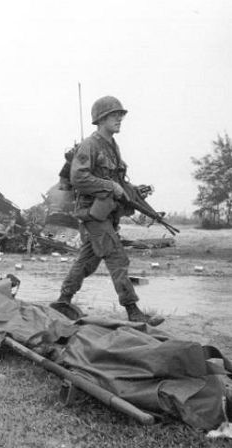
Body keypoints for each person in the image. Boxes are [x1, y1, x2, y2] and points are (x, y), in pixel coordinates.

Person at [52, 95, 164, 326]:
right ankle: (133, 310)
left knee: (88, 261)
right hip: (92, 213)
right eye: (115, 116)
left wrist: (131, 192)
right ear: (101, 119)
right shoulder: (90, 145)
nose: (120, 120)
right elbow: (78, 177)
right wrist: (110, 186)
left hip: (106, 212)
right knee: (116, 256)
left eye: (121, 116)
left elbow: (116, 179)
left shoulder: (112, 147)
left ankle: (63, 301)